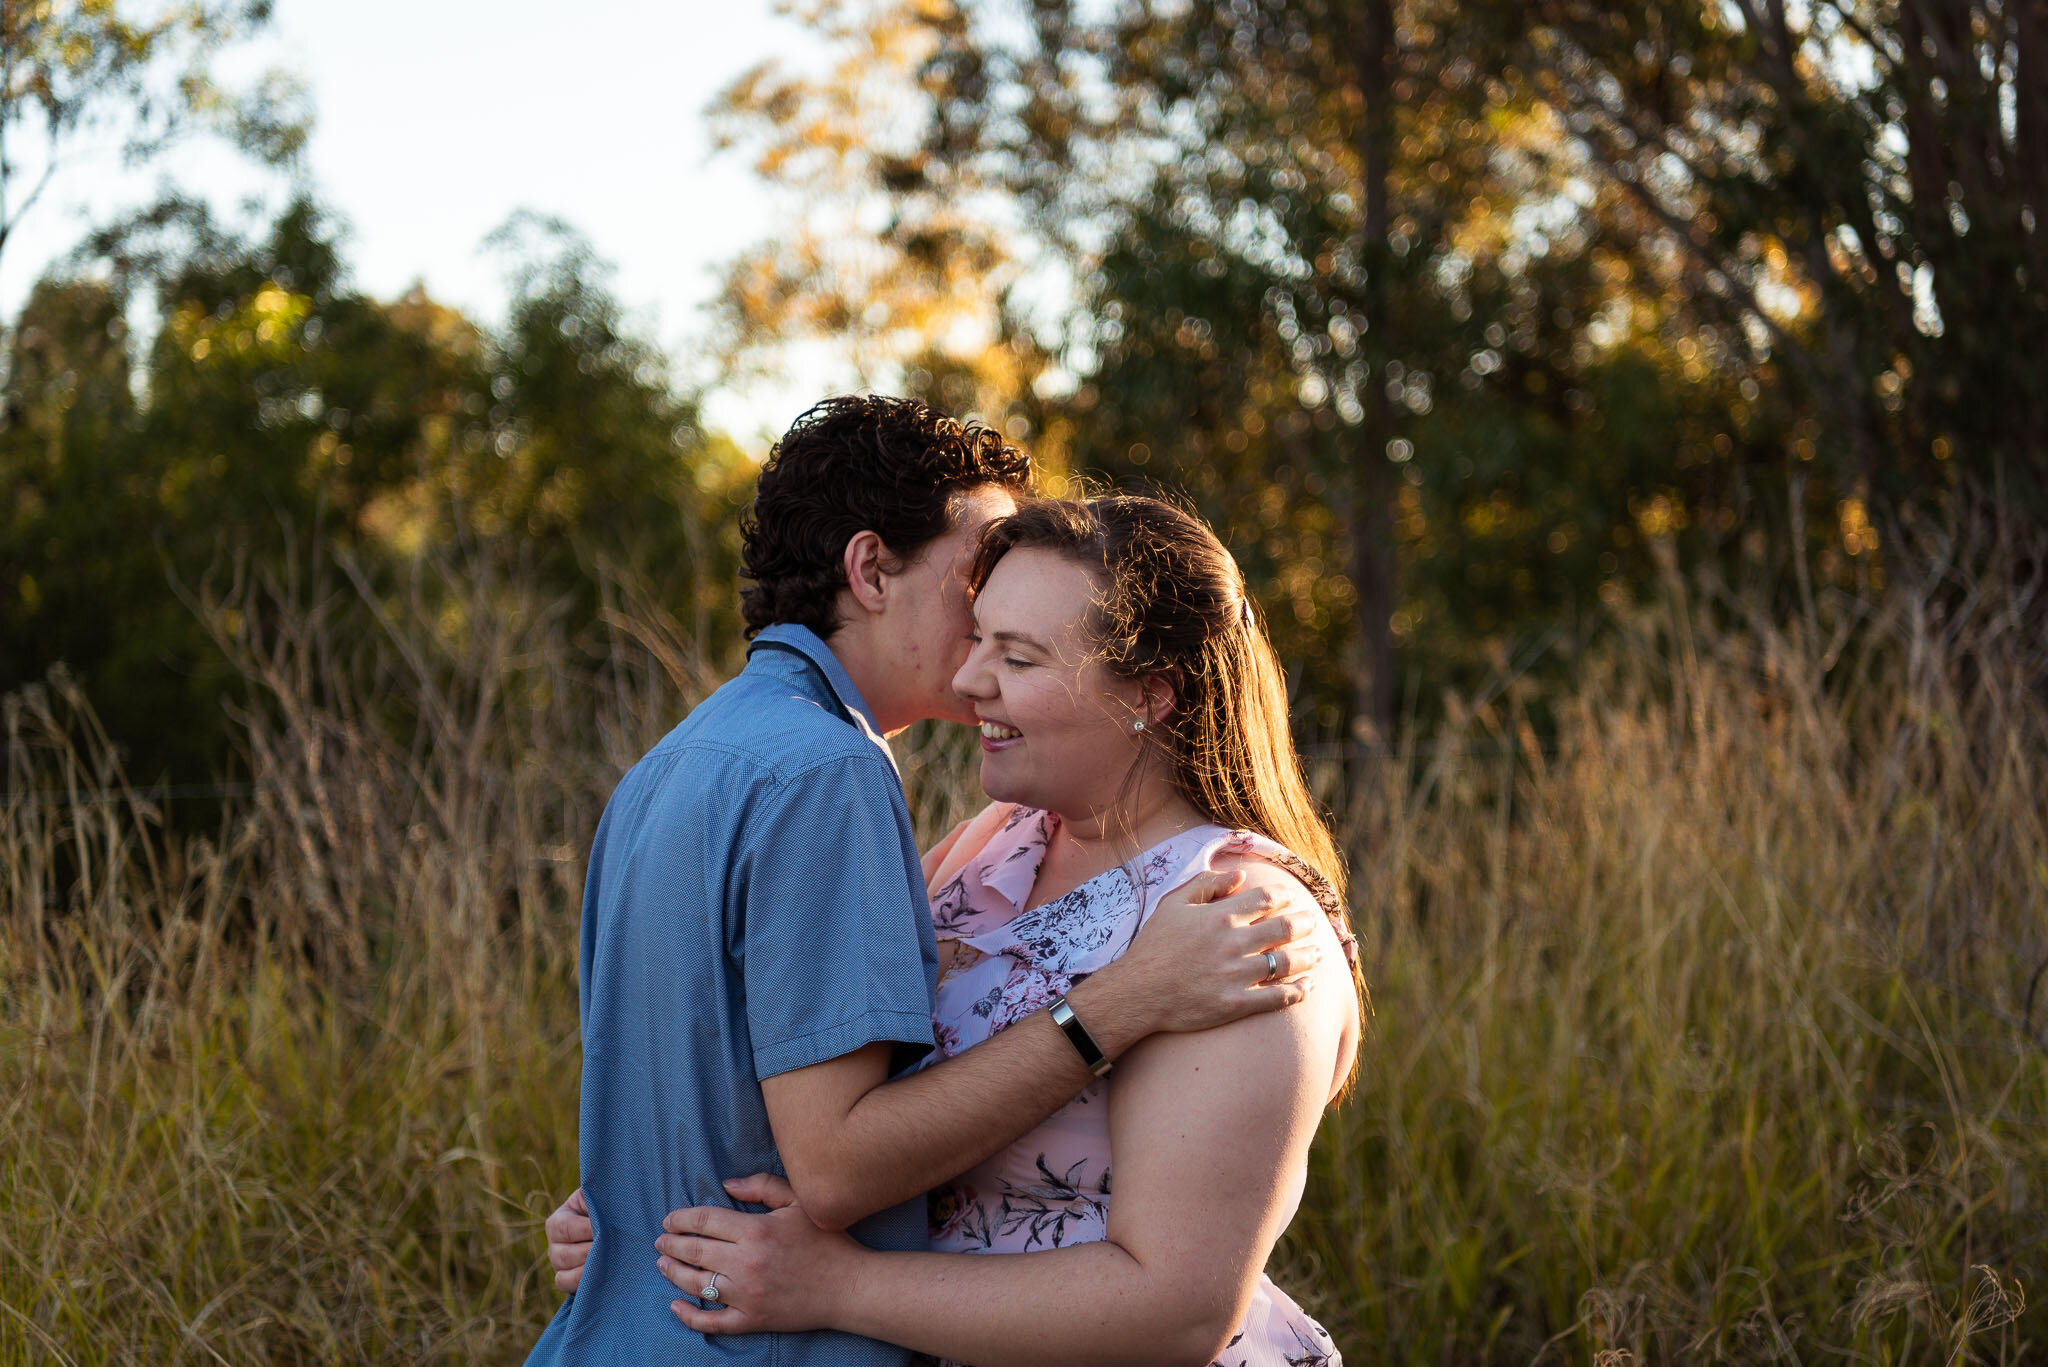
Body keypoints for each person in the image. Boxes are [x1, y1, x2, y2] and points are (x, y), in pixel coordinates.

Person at [526, 401, 1327, 1367]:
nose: (975, 671)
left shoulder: (1234, 910)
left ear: (1149, 694)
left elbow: (1178, 1305)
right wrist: (634, 1207)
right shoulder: (976, 842)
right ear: (869, 571)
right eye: (977, 616)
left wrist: (837, 1281)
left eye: (1017, 651)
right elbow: (796, 1098)